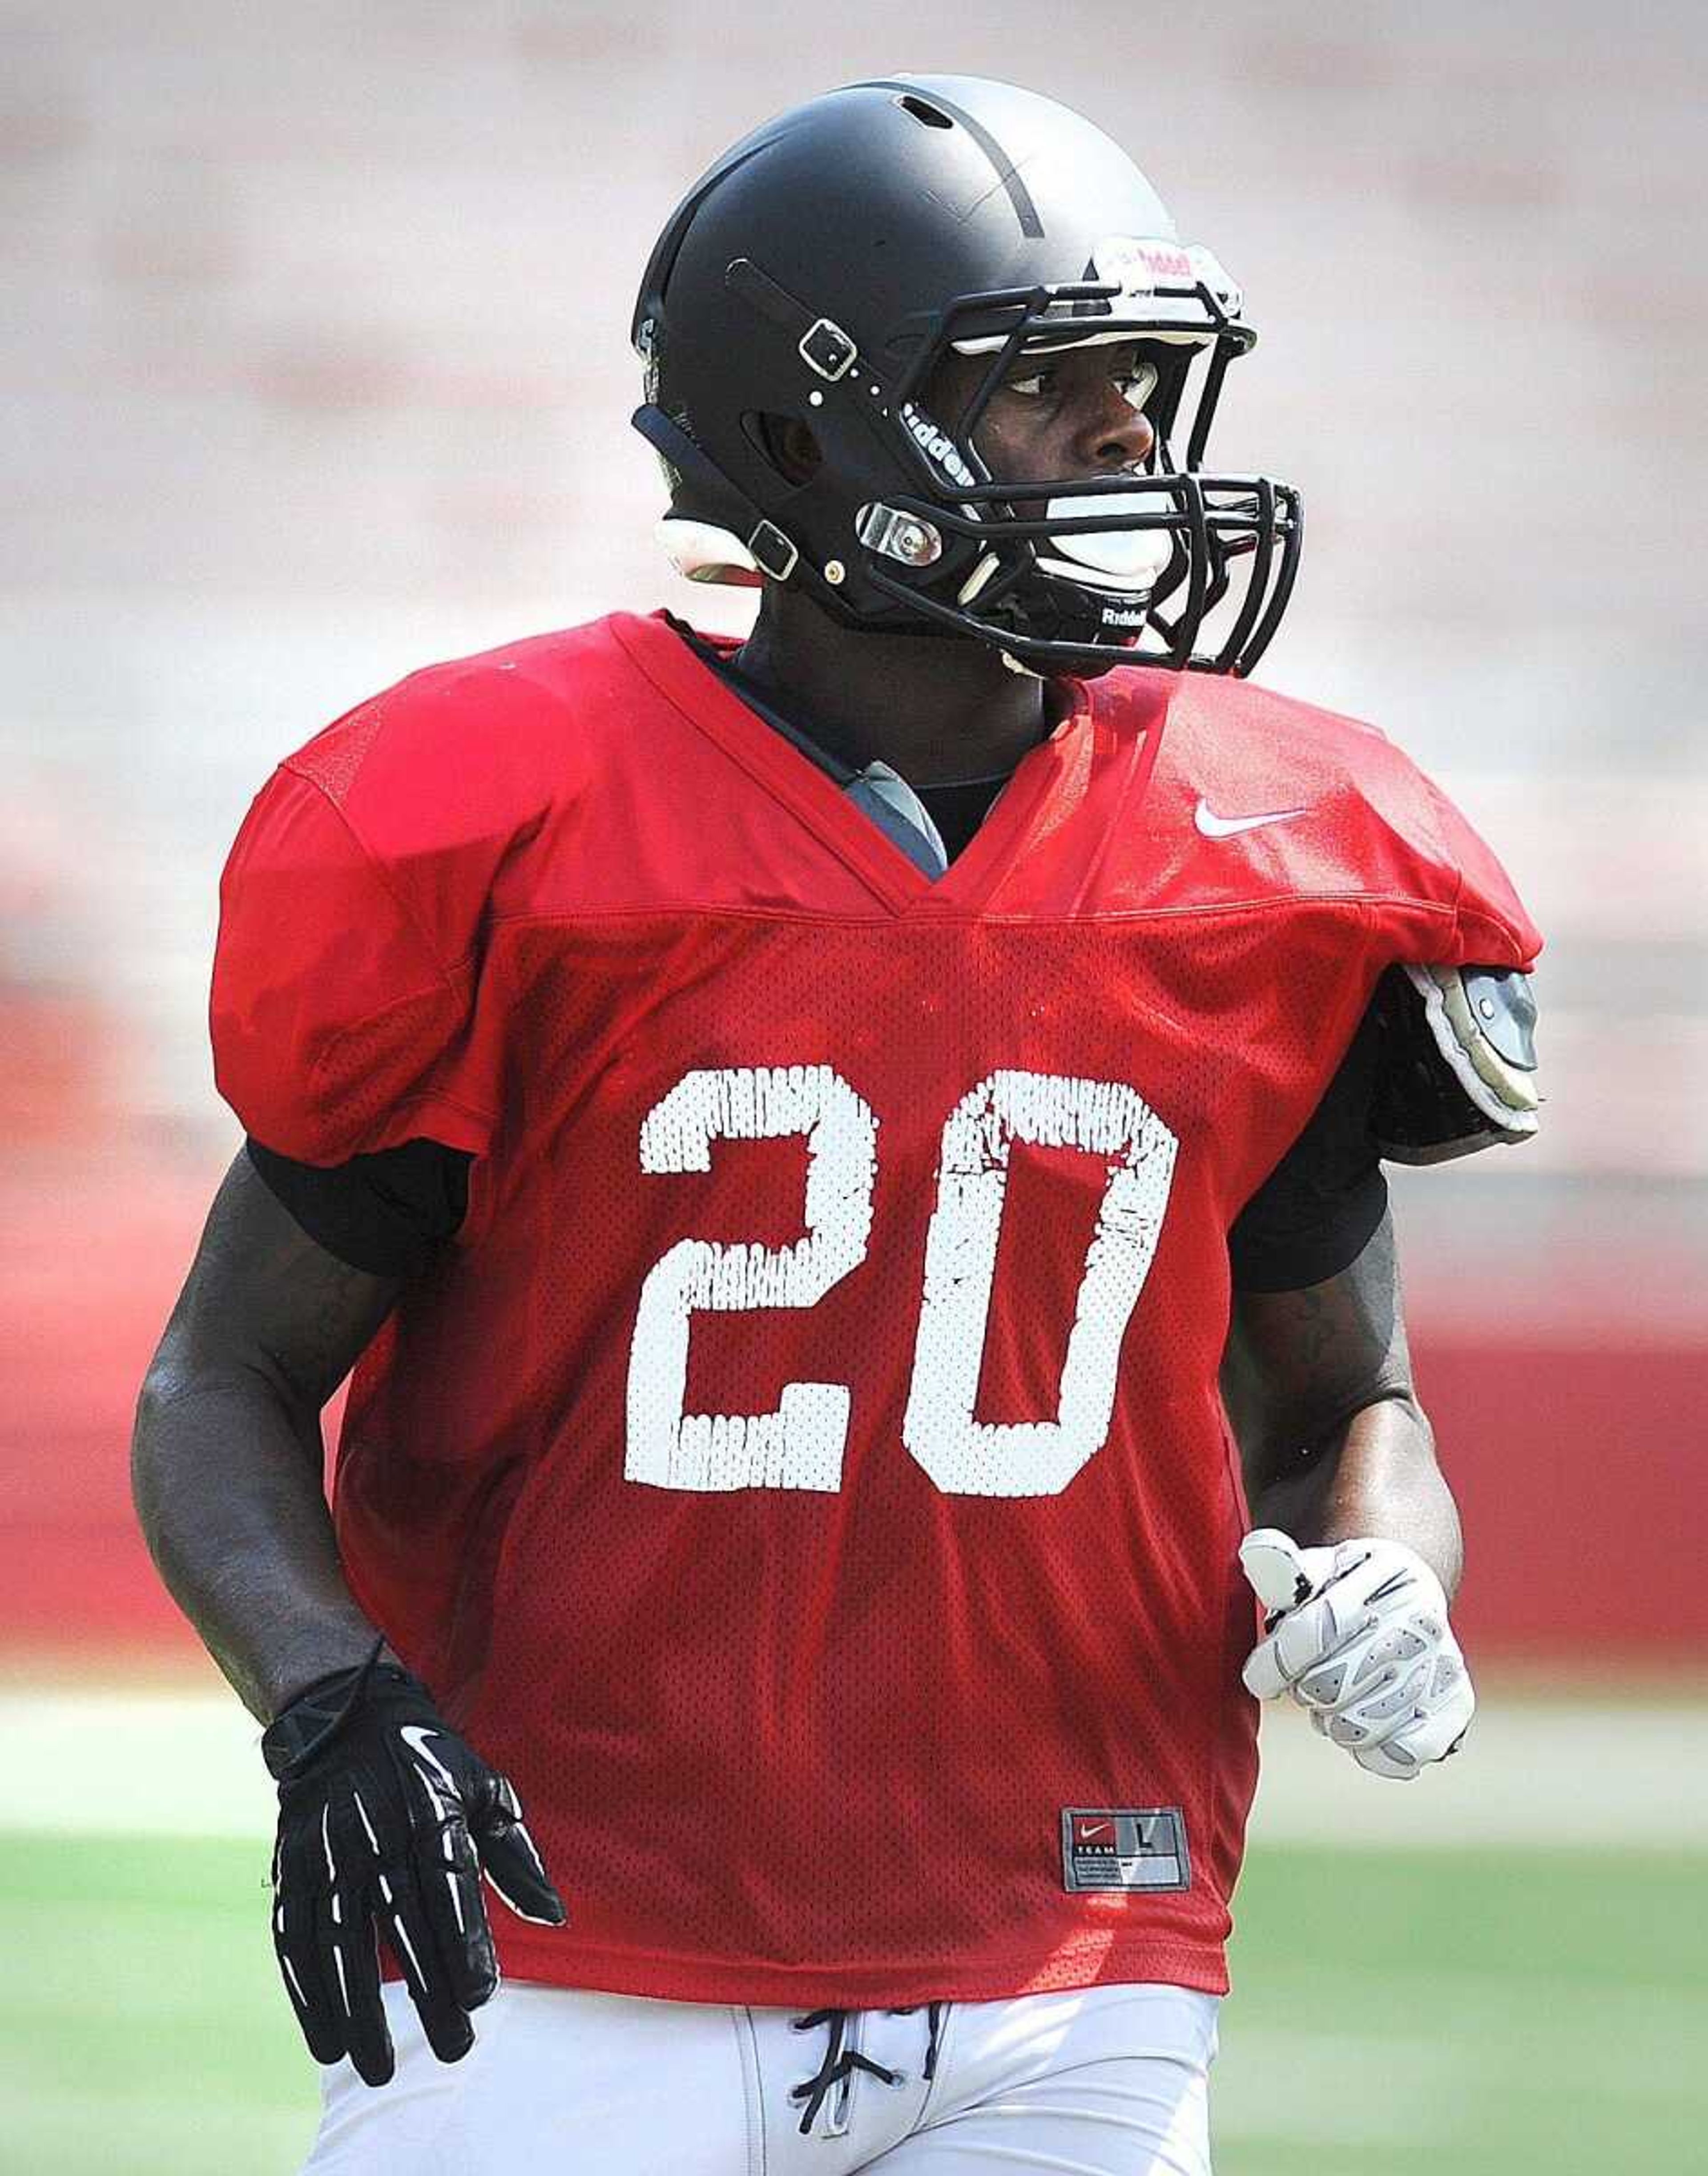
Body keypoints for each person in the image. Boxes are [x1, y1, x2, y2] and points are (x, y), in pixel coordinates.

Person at [132, 73, 1542, 2176]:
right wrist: (327, 1695)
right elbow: (224, 1371)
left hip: (1079, 1951)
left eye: (1144, 391)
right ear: (808, 442)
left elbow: (1355, 1404)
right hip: (565, 1937)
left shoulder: (1269, 856)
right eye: (1047, 389)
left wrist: (1391, 1574)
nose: (1130, 451)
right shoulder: (526, 831)